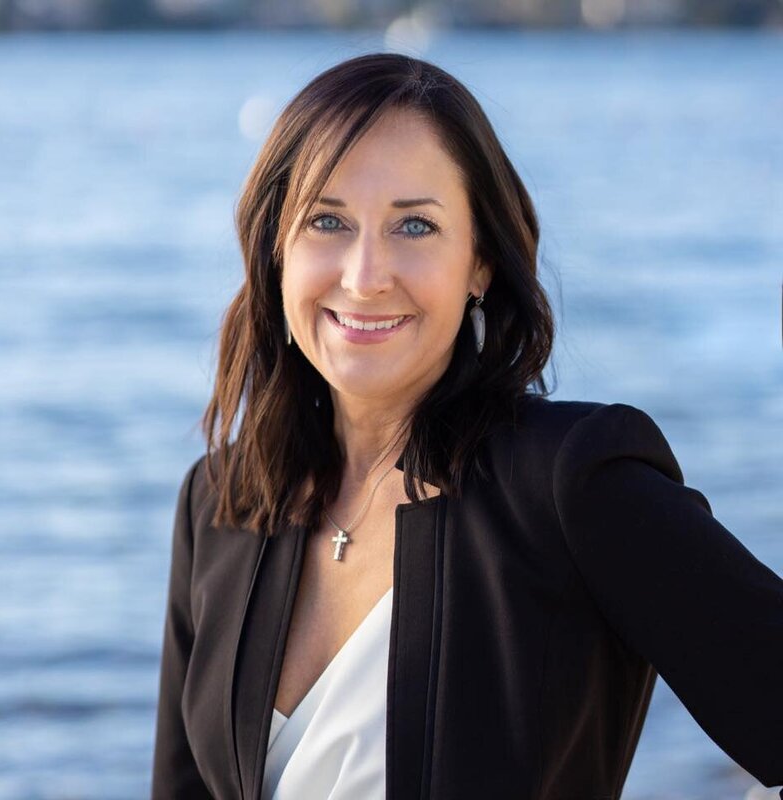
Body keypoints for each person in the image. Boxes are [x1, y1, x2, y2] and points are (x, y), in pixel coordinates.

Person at [150, 52, 783, 800]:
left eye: (414, 225)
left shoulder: (569, 482)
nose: (364, 275)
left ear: (479, 262)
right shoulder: (223, 500)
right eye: (327, 220)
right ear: (277, 252)